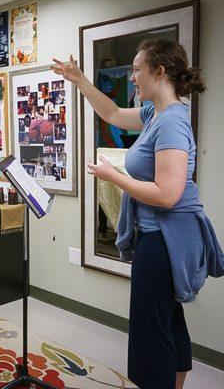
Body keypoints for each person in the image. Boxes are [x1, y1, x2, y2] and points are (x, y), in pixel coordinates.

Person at [52, 40, 223, 388]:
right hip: (162, 236)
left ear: (159, 72)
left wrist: (114, 177)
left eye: (136, 69)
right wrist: (80, 80)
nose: (132, 77)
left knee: (150, 330)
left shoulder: (172, 122)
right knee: (167, 319)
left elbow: (167, 194)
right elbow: (113, 114)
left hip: (164, 241)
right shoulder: (155, 114)